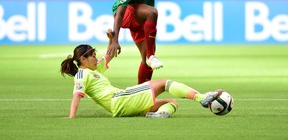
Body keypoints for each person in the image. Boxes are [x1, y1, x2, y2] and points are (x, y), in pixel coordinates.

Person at [60, 29, 223, 118]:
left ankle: (158, 115)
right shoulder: (82, 75)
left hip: (122, 106)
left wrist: (112, 40)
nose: (96, 59)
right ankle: (202, 98)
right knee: (164, 82)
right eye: (93, 56)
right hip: (119, 100)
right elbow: (77, 95)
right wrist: (71, 117)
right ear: (83, 58)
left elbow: (109, 55)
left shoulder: (94, 70)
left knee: (172, 102)